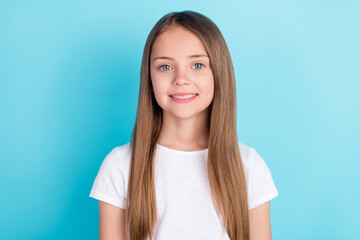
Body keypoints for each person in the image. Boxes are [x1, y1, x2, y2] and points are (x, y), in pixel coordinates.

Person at [89, 10, 279, 240]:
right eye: (165, 67)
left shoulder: (248, 166)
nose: (181, 78)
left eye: (197, 65)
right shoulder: (120, 166)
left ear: (218, 74)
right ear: (149, 79)